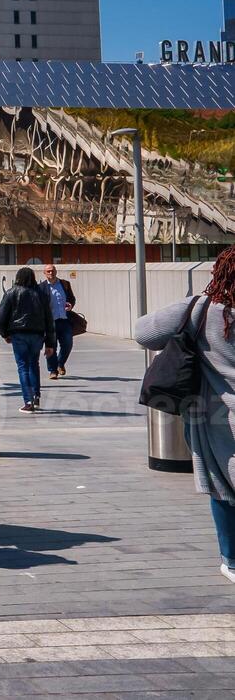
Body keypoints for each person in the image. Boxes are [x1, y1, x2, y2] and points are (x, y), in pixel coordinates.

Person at [134, 247, 235, 583]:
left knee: (223, 486)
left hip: (218, 419)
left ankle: (231, 560)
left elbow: (144, 333)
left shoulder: (202, 310)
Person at [0, 266, 56, 413]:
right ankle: (36, 396)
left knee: (23, 367)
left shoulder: (11, 293)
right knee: (33, 364)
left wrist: (4, 334)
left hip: (19, 334)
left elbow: (1, 316)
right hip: (37, 334)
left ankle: (28, 402)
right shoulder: (41, 294)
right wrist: (50, 343)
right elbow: (49, 320)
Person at [41, 265, 77, 380]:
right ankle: (53, 370)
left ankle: (60, 363)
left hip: (64, 320)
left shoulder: (65, 284)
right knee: (51, 346)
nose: (51, 273)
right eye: (48, 271)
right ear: (44, 273)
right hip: (50, 322)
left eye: (52, 271)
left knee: (67, 344)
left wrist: (70, 304)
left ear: (56, 272)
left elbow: (72, 298)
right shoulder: (41, 287)